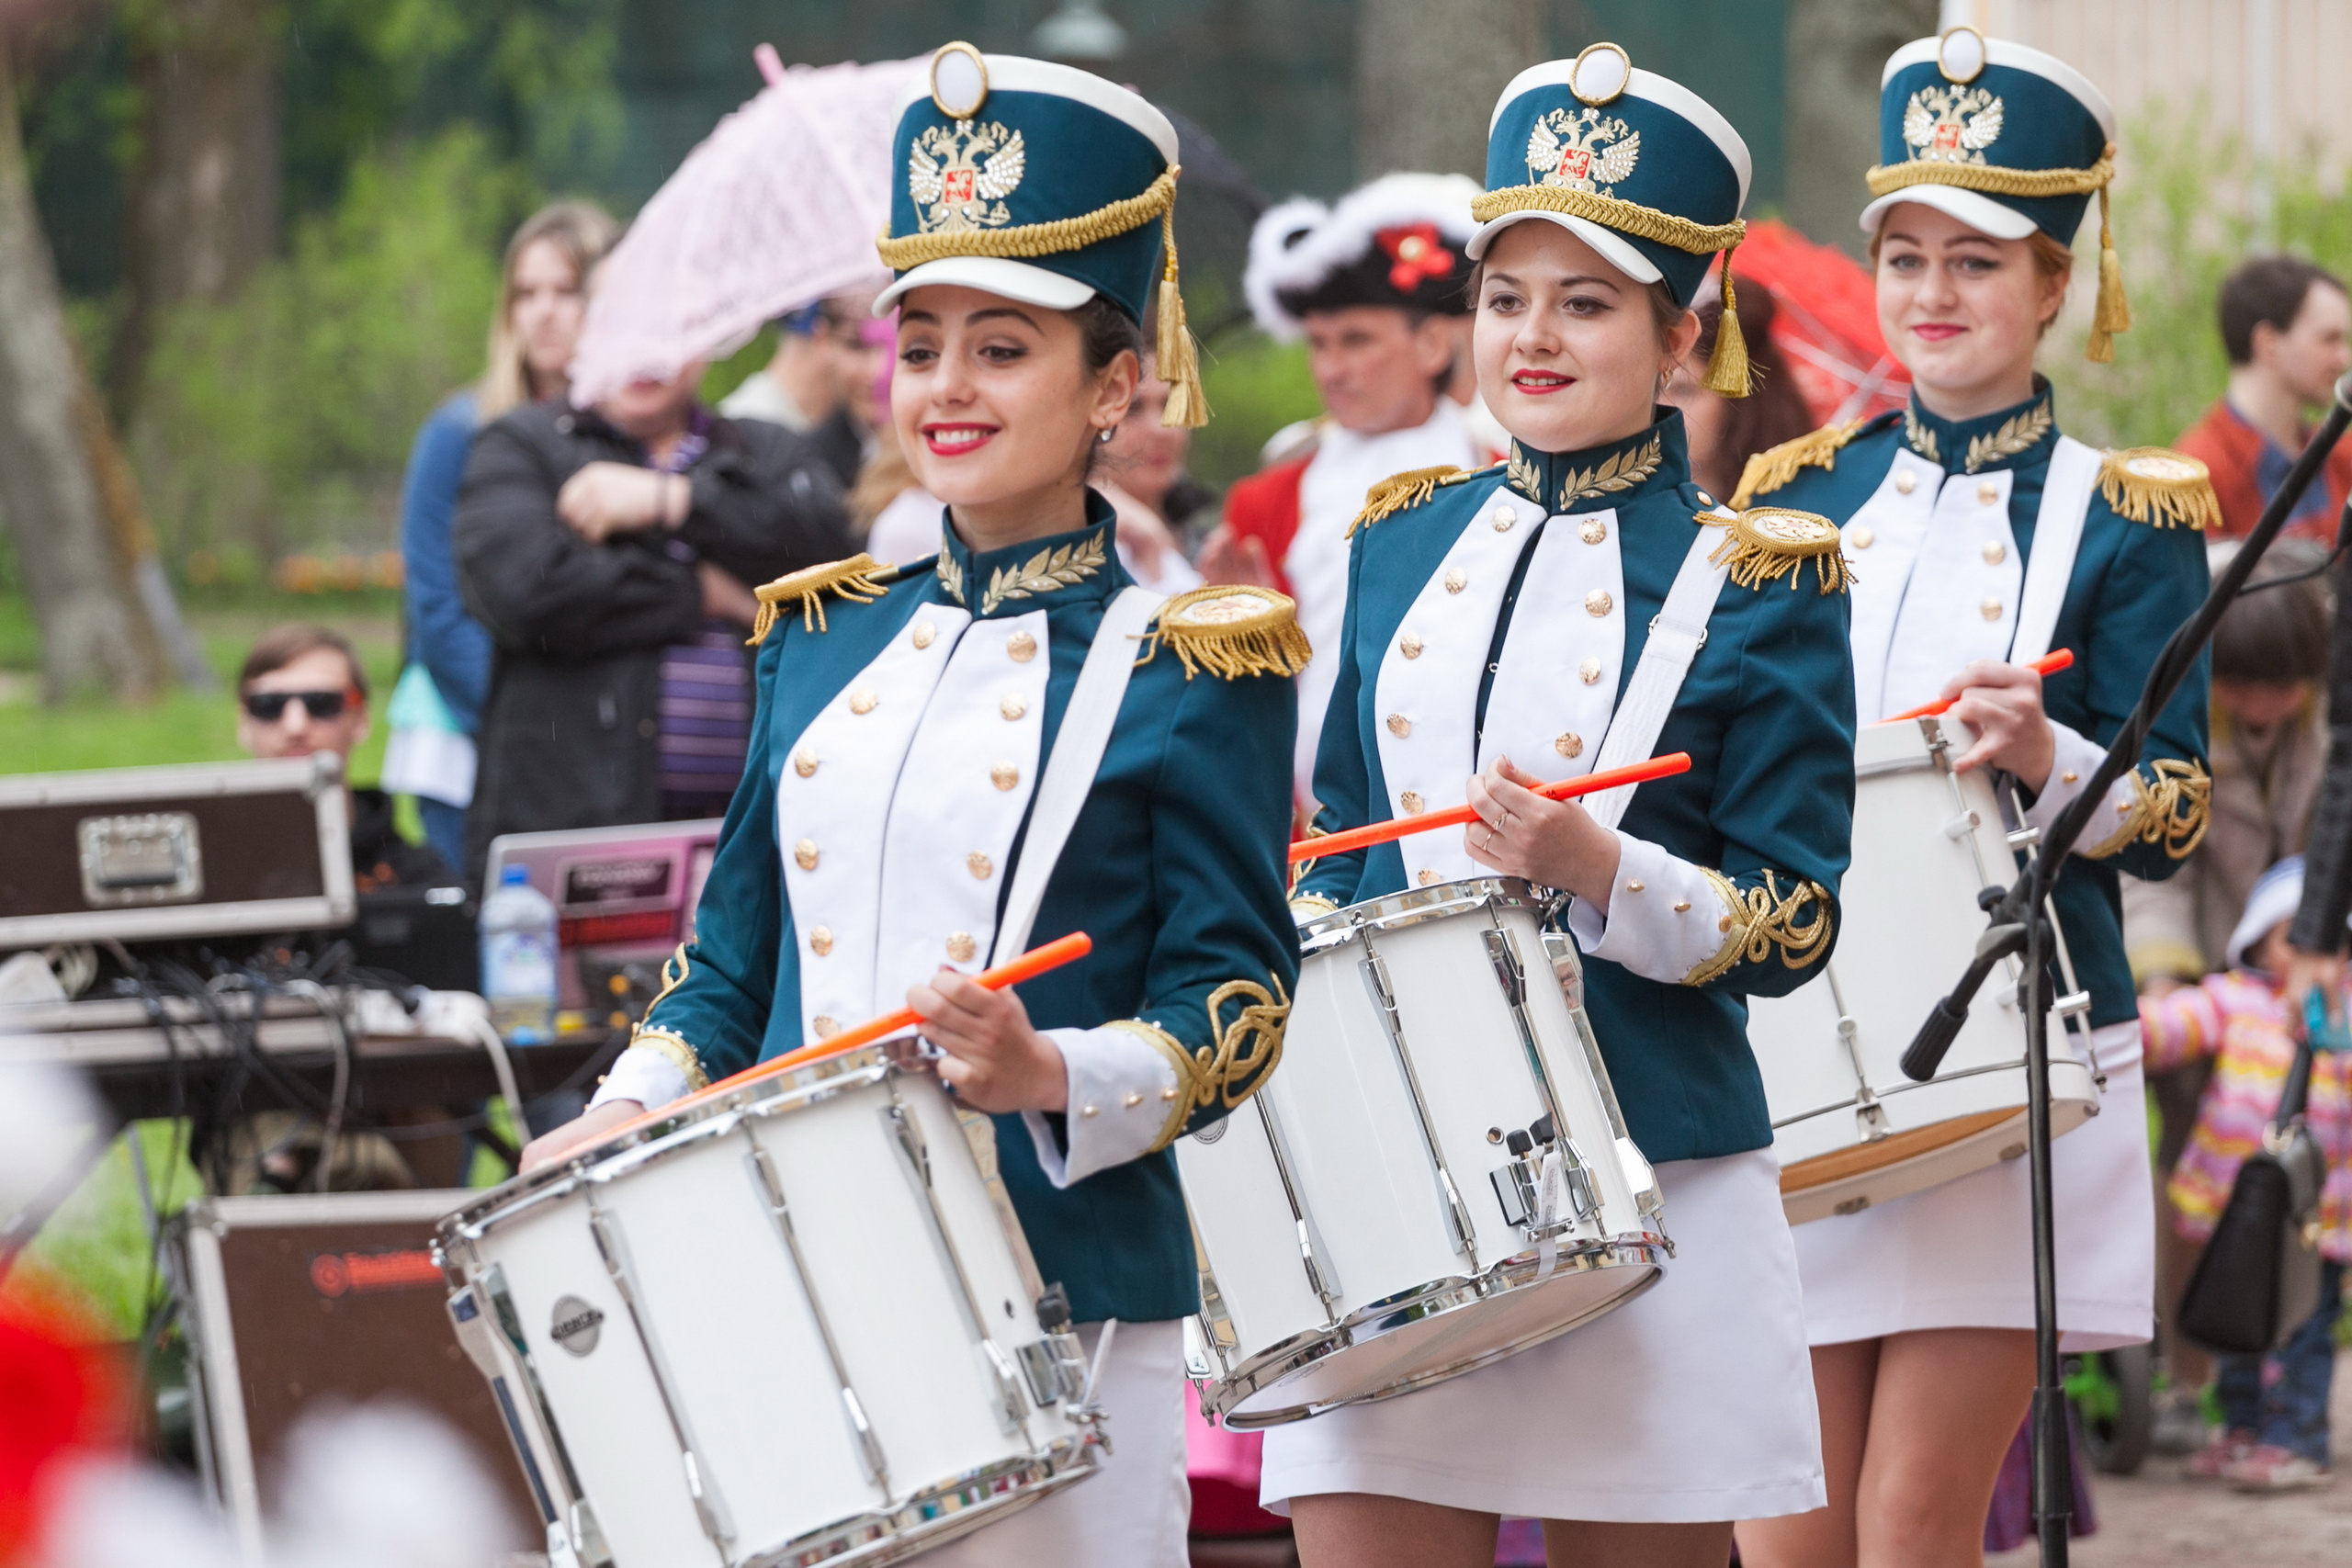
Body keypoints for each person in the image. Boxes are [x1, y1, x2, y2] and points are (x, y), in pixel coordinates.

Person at [516, 47, 1304, 1567]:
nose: (945, 386)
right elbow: (729, 960)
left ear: (1117, 386)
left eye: (1002, 348)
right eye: (921, 341)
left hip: (1059, 1292)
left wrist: (1050, 1067)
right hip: (798, 1274)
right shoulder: (819, 633)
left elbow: (1238, 1002)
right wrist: (617, 1112)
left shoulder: (1191, 663)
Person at [1261, 45, 1855, 1567]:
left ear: (1682, 337)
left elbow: (1795, 918)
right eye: (1504, 296)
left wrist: (1606, 867)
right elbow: (1341, 832)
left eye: (1586, 302)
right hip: (1400, 1168)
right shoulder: (1396, 538)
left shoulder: (1761, 578)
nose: (1530, 335)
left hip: (1649, 1166)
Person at [1729, 28, 2214, 1568]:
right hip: (1809, 1043)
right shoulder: (1796, 498)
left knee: (1914, 1519)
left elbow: (2176, 808)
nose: (1934, 293)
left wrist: (2052, 753)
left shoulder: (2129, 516)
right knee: (1788, 1527)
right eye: (1908, 257)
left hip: (2018, 1043)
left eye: (1979, 262)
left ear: (2057, 284)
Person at [453, 353, 855, 880]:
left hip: (755, 843)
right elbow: (526, 589)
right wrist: (700, 592)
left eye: (665, 334)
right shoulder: (525, 443)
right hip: (579, 839)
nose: (643, 357)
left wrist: (674, 501)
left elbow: (832, 552)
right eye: (625, 333)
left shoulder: (765, 447)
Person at [2120, 540, 2329, 1449]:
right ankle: (2189, 1375)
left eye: (2282, 688)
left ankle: (2287, 1384)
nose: (2262, 706)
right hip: (2213, 978)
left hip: (2323, 983)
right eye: (2244, 686)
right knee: (2196, 1187)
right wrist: (2166, 978)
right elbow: (2154, 870)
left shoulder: (2330, 729)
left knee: (2311, 1187)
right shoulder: (2176, 720)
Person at [1201, 173, 1490, 809]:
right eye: (1319, 344)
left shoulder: (1504, 477)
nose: (1331, 369)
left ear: (1432, 343)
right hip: (1302, 818)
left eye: (1356, 340)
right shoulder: (1265, 501)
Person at [386, 202, 618, 872]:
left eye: (566, 291)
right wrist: (542, 726)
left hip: (597, 743)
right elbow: (436, 606)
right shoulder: (459, 430)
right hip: (467, 735)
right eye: (525, 293)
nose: (543, 312)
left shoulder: (633, 432)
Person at [2142, 857, 2350, 1493]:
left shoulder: (2340, 1011)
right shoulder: (2233, 997)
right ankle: (2241, 1426)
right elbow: (2175, 1025)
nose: (2311, 949)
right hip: (2234, 1209)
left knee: (2301, 1328)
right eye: (2292, 934)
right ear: (2257, 939)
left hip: (2316, 1214)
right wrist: (2128, 1025)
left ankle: (2296, 1439)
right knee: (2237, 1324)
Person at [2175, 256, 2352, 544]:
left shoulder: (2341, 457)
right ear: (2267, 343)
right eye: (2329, 339)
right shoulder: (2196, 476)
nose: (2344, 358)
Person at [718, 293, 892, 491]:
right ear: (823, 340)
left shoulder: (849, 428)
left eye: (891, 345)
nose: (878, 370)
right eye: (856, 346)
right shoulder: (750, 428)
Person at [1659, 288, 1816, 502]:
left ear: (1740, 400)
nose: (1658, 407)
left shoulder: (1797, 513)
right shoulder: (1624, 507)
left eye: (1683, 391)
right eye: (1653, 389)